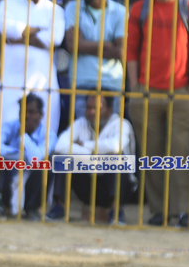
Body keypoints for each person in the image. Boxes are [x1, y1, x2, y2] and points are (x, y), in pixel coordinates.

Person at [126, 0, 189, 227]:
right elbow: (131, 50)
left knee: (181, 154)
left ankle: (182, 211)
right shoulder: (140, 8)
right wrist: (135, 87)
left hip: (181, 91)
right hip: (146, 91)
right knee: (151, 156)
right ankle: (159, 211)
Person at [0, 0, 66, 159]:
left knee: (43, 145)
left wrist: (18, 37)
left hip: (43, 86)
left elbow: (54, 39)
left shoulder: (55, 10)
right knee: (7, 143)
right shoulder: (7, 4)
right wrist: (40, 30)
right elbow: (5, 29)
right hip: (10, 85)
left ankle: (41, 182)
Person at [52, 95, 136, 224]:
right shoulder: (80, 123)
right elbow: (60, 145)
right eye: (89, 108)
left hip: (117, 186)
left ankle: (116, 212)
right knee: (63, 159)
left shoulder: (121, 124)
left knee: (116, 159)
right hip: (88, 184)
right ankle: (59, 208)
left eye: (97, 108)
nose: (91, 112)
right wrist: (91, 154)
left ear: (109, 110)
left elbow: (115, 146)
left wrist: (85, 145)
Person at [62, 0, 126, 117]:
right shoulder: (73, 7)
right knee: (83, 129)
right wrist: (107, 44)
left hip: (112, 83)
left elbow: (121, 52)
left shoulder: (120, 12)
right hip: (81, 82)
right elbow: (71, 45)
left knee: (111, 129)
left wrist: (82, 44)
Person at [0, 94, 48, 220]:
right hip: (9, 178)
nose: (26, 116)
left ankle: (32, 209)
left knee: (48, 163)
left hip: (30, 182)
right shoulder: (10, 126)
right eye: (23, 111)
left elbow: (37, 158)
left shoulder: (47, 134)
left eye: (31, 112)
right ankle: (0, 205)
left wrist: (24, 135)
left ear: (41, 115)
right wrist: (22, 156)